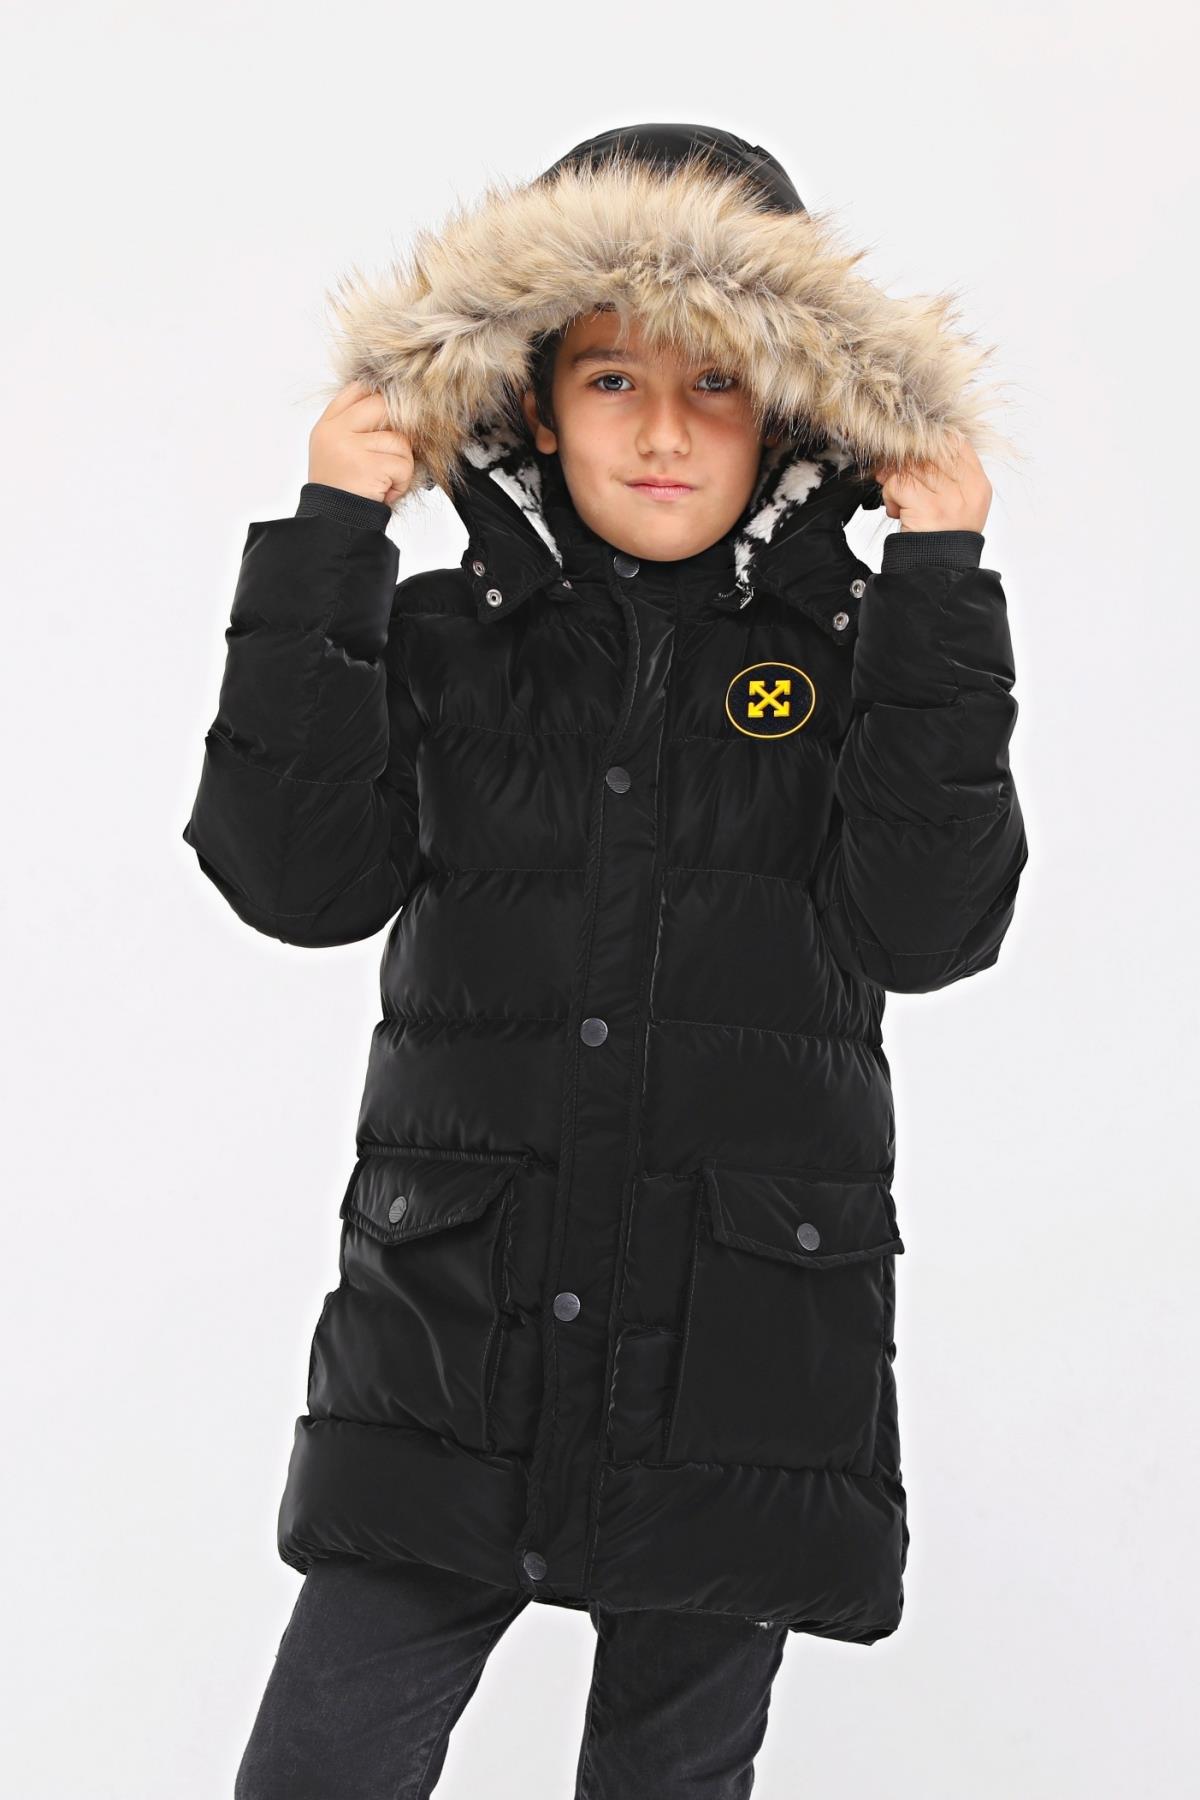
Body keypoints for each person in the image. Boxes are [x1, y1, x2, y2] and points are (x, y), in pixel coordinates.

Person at [182, 122, 1028, 1798]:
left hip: (743, 1342)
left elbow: (930, 928)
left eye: (716, 384)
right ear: (535, 401)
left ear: (790, 410)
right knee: (323, 1760)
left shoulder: (863, 653)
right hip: (454, 1328)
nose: (659, 431)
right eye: (612, 379)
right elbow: (295, 881)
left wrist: (940, 587)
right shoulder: (443, 638)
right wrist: (331, 537)